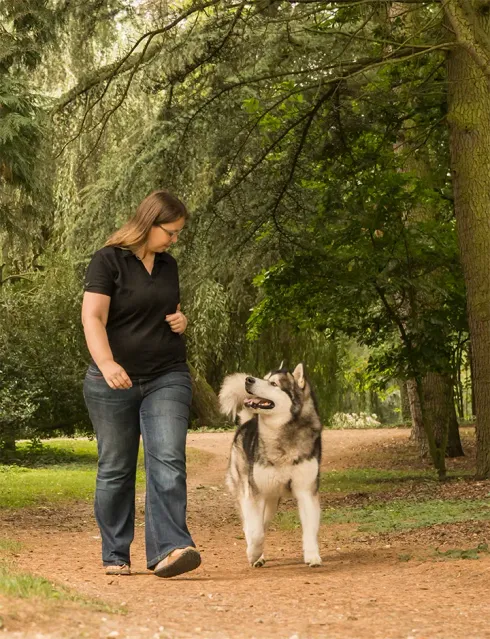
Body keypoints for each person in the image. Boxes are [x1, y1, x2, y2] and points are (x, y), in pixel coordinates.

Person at [81, 189, 201, 578]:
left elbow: (167, 311)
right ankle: (115, 553)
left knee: (168, 458)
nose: (174, 239)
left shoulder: (169, 266)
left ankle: (170, 550)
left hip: (167, 373)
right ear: (149, 224)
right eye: (171, 231)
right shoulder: (108, 261)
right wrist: (107, 363)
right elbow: (93, 318)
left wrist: (181, 322)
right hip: (112, 380)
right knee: (116, 467)